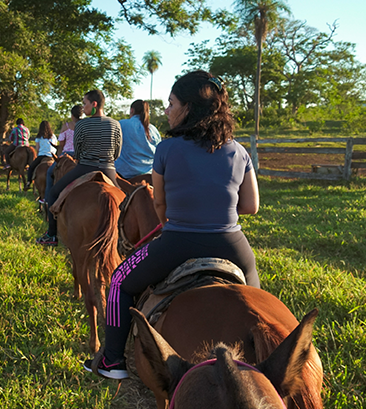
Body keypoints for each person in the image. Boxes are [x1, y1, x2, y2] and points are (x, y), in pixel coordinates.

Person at [83, 71, 260, 379]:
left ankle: (113, 360)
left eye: (171, 102)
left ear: (188, 107)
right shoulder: (239, 151)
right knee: (258, 305)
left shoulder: (166, 149)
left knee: (120, 281)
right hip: (233, 245)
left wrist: (176, 218)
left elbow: (161, 206)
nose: (166, 110)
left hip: (178, 241)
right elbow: (251, 207)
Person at [37, 90, 122, 245]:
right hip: (109, 169)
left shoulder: (82, 124)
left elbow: (78, 151)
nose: (83, 107)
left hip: (85, 168)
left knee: (54, 193)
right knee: (126, 200)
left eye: (85, 103)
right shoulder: (115, 124)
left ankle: (51, 235)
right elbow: (117, 153)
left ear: (94, 104)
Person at [42, 105, 83, 203]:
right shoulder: (85, 126)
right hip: (80, 155)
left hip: (66, 153)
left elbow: (61, 142)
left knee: (49, 173)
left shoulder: (66, 126)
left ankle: (47, 198)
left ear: (72, 115)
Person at [114, 99, 161, 180]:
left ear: (132, 110)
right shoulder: (154, 130)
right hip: (149, 175)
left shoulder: (122, 124)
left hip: (125, 174)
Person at [25, 120, 57, 188]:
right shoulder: (53, 136)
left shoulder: (39, 137)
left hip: (42, 156)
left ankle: (28, 183)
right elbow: (55, 146)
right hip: (52, 156)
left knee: (31, 168)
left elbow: (38, 148)